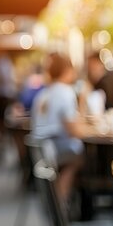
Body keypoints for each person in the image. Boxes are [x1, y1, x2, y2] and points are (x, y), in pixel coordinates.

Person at [31, 53, 84, 203]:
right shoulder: (65, 92)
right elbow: (74, 129)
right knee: (78, 159)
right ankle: (60, 201)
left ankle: (58, 202)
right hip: (53, 149)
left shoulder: (43, 93)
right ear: (67, 70)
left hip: (40, 150)